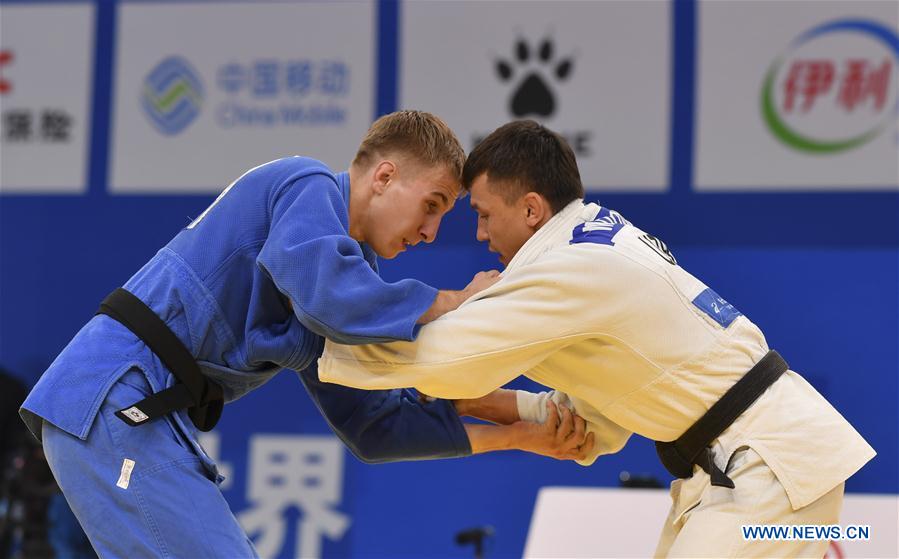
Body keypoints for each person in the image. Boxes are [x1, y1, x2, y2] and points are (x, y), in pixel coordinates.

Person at [20, 111, 592, 558]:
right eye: (432, 206)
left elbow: (376, 424)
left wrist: (520, 434)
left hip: (138, 417)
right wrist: (450, 300)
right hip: (115, 401)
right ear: (385, 176)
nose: (431, 232)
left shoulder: (347, 285)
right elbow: (329, 298)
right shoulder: (307, 185)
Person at [318, 120, 876, 558]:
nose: (481, 234)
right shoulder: (596, 242)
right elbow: (592, 421)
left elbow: (450, 361)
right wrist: (477, 404)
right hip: (756, 469)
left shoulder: (571, 268)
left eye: (484, 215)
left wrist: (318, 345)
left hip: (768, 470)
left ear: (531, 209)